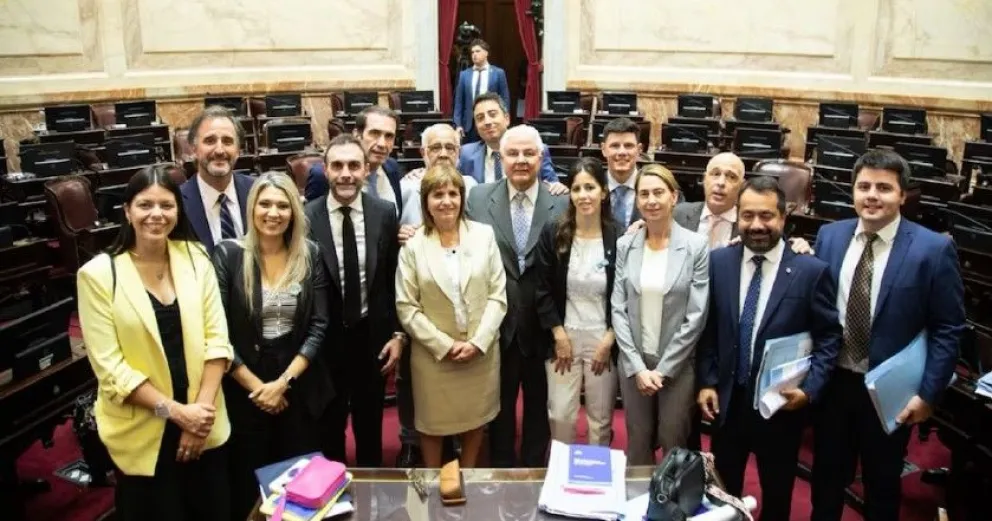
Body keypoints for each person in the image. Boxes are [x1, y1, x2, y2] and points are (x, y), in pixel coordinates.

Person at [811, 149, 966, 521]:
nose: (872, 195)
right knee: (826, 480)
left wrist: (929, 394)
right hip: (833, 383)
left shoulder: (933, 248)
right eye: (863, 186)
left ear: (902, 195)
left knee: (882, 485)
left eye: (884, 187)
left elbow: (949, 327)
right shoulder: (829, 236)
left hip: (890, 391)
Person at [76, 164, 233, 521]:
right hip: (146, 428)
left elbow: (218, 340)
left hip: (204, 420)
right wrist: (177, 414)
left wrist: (199, 417)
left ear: (179, 211)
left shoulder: (196, 259)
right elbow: (111, 369)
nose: (156, 215)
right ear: (127, 211)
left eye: (167, 205)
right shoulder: (99, 275)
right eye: (145, 205)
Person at [697, 176, 843, 521]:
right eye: (747, 216)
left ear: (783, 218)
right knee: (723, 496)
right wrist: (706, 380)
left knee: (777, 495)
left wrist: (809, 391)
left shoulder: (811, 271)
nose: (757, 225)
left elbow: (829, 339)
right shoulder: (719, 262)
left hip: (781, 407)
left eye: (766, 216)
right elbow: (708, 329)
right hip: (728, 403)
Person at [210, 172, 334, 519]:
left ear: (294, 211)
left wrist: (283, 384)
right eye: (265, 203)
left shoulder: (309, 254)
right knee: (250, 482)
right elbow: (217, 332)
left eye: (283, 205)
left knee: (300, 482)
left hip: (297, 380)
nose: (273, 212)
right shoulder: (227, 255)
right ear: (252, 208)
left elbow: (319, 325)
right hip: (244, 384)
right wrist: (259, 389)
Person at [466, 125, 569, 467]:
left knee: (540, 406)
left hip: (545, 325)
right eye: (513, 154)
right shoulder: (478, 198)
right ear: (502, 158)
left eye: (529, 154)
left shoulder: (564, 201)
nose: (521, 160)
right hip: (497, 325)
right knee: (499, 407)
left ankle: (534, 471)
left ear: (541, 158)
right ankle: (501, 470)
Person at [395, 164, 508, 468]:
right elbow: (407, 307)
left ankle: (467, 474)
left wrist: (478, 342)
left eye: (452, 193)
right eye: (437, 195)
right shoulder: (413, 246)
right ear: (425, 202)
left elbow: (498, 296)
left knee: (475, 420)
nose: (446, 201)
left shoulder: (484, 236)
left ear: (462, 197)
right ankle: (434, 479)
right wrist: (444, 345)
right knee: (433, 425)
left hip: (479, 353)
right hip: (434, 358)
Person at [305, 134, 404, 467]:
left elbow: (393, 279)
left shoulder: (384, 212)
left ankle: (372, 500)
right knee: (328, 430)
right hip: (324, 343)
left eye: (353, 165)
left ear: (365, 170)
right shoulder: (306, 217)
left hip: (370, 338)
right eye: (337, 166)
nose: (345, 173)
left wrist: (397, 334)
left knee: (370, 427)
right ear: (325, 170)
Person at [611, 164, 709, 465]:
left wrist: (663, 370)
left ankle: (671, 508)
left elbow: (697, 315)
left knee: (673, 441)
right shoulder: (626, 244)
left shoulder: (695, 246)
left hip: (676, 367)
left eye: (658, 193)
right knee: (637, 443)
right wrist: (638, 367)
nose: (651, 200)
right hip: (634, 364)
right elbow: (618, 307)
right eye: (644, 194)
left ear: (673, 197)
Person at [535, 157, 619, 446]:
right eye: (577, 188)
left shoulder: (619, 236)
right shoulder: (554, 232)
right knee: (560, 416)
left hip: (604, 339)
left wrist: (609, 340)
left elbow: (624, 295)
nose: (583, 195)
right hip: (564, 336)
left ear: (604, 192)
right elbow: (542, 289)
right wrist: (558, 334)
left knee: (601, 418)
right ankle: (563, 478)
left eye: (590, 187)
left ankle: (597, 483)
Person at [179, 105, 255, 255]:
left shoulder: (257, 191)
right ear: (194, 149)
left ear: (238, 151)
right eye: (210, 141)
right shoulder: (177, 202)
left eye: (227, 141)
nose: (219, 150)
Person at [457, 92, 567, 195]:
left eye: (492, 115)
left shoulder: (534, 149)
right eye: (480, 118)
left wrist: (557, 187)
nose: (487, 122)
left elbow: (553, 186)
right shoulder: (466, 154)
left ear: (507, 119)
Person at [305, 106, 404, 213]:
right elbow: (312, 220)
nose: (382, 144)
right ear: (357, 135)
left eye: (389, 136)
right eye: (375, 133)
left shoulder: (392, 167)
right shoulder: (321, 176)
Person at [453, 39, 510, 143]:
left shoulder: (498, 73)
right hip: (469, 126)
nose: (474, 54)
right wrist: (458, 125)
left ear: (486, 53)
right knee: (470, 155)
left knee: (492, 153)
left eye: (478, 51)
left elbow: (504, 99)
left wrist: (505, 121)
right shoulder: (464, 75)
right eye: (472, 52)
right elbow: (459, 102)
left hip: (491, 123)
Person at [601, 118, 644, 229]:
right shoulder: (592, 187)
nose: (622, 152)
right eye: (615, 146)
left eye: (628, 146)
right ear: (603, 149)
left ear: (639, 150)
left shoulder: (657, 189)